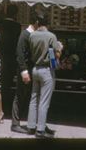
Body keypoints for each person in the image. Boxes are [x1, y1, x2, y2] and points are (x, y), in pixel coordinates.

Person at [26, 11, 62, 139]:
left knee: (34, 98)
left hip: (35, 68)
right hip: (46, 70)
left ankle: (30, 126)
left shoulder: (32, 35)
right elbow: (54, 57)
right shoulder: (51, 36)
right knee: (44, 101)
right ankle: (40, 129)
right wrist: (60, 49)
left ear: (37, 22)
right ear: (48, 23)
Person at [0, 4, 21, 117]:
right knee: (7, 83)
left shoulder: (0, 24)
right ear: (15, 14)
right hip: (11, 57)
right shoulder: (17, 26)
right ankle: (5, 105)